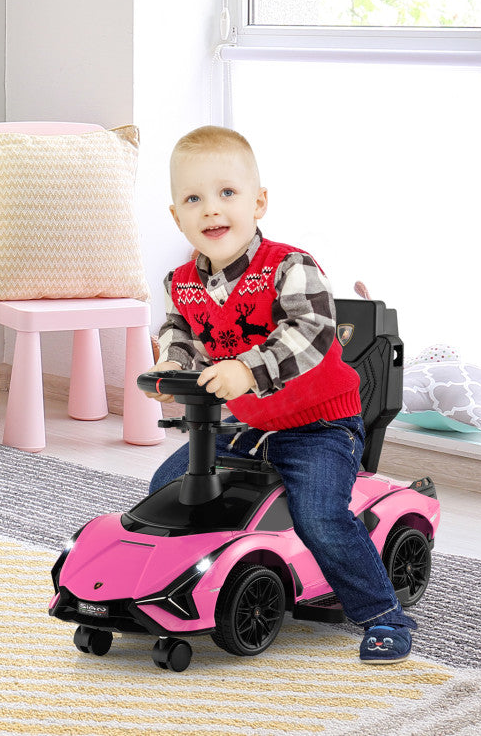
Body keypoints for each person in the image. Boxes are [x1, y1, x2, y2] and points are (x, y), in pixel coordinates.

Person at [144, 125, 417, 663]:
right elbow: (180, 333)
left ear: (258, 202)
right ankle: (188, 591)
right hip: (249, 426)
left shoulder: (291, 267)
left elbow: (312, 332)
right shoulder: (182, 282)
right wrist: (171, 366)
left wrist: (248, 370)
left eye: (227, 193)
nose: (211, 209)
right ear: (176, 216)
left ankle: (382, 613)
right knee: (167, 488)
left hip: (320, 426)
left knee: (319, 514)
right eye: (193, 199)